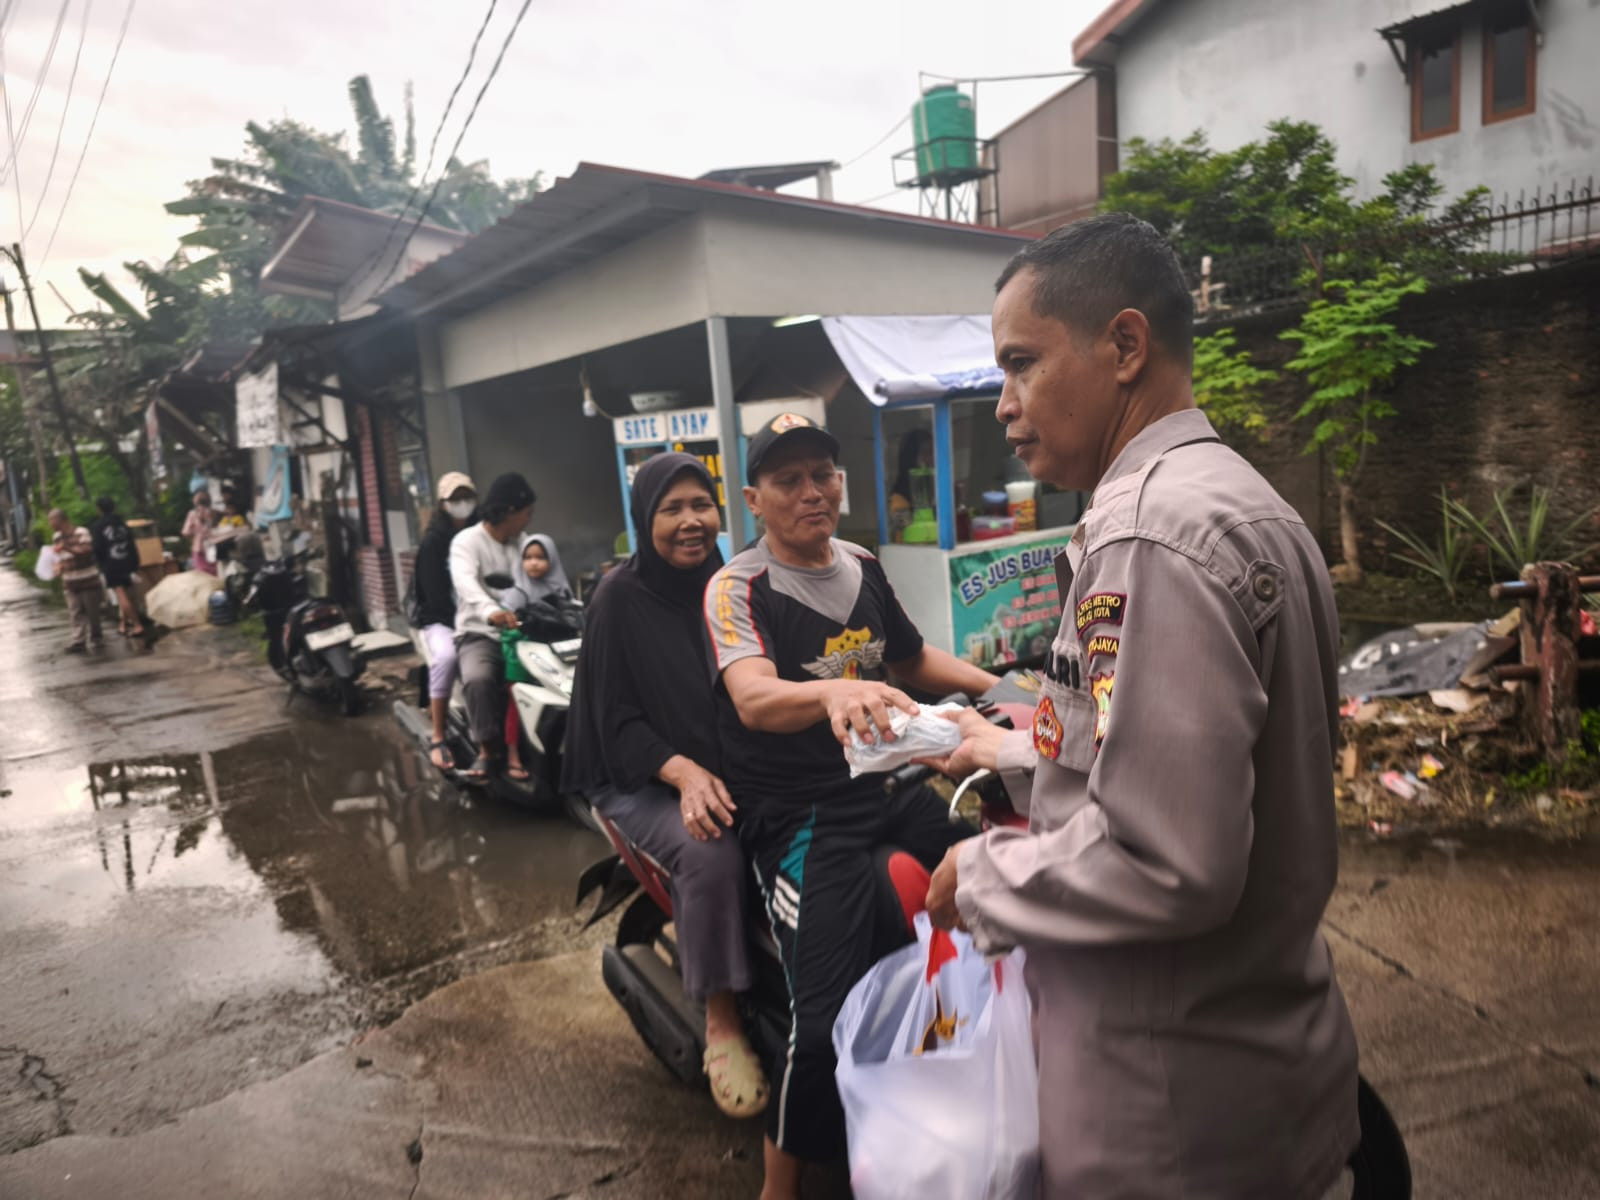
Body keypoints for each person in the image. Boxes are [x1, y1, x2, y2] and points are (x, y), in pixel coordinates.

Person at [921, 213, 1360, 1198]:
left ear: (1124, 346)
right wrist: (1007, 752)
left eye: (1021, 363)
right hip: (1266, 1068)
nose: (1003, 403)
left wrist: (979, 875)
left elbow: (1166, 857)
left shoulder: (1147, 537)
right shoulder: (1243, 501)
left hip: (1166, 1116)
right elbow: (1169, 753)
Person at [704, 413, 998, 1199]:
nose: (812, 492)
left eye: (823, 475)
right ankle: (780, 1187)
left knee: (1001, 879)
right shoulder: (738, 587)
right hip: (801, 816)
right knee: (823, 1019)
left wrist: (1003, 688)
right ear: (754, 500)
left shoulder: (862, 564)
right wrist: (833, 691)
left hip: (887, 786)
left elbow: (910, 658)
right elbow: (753, 697)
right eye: (788, 480)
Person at [564, 452, 770, 1119]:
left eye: (701, 505)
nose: (691, 521)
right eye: (671, 509)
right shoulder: (616, 599)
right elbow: (614, 720)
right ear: (643, 519)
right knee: (710, 850)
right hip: (637, 774)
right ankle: (721, 1020)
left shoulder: (728, 584)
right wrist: (681, 771)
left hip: (722, 759)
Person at [448, 471, 537, 781]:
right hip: (479, 633)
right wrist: (490, 611)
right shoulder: (467, 542)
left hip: (522, 631)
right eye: (526, 513)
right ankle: (487, 749)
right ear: (510, 512)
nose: (528, 520)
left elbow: (540, 577)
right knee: (478, 678)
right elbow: (465, 583)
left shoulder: (522, 542)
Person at [413, 472, 477, 770]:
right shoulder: (434, 543)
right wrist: (462, 623)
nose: (462, 504)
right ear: (443, 503)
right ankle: (438, 735)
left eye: (466, 497)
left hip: (480, 616)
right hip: (442, 619)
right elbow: (435, 595)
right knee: (448, 657)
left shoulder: (482, 533)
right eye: (455, 498)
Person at [497, 533, 573, 783]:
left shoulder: (561, 589)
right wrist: (518, 633)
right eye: (528, 557)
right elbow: (506, 629)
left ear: (552, 559)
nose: (534, 563)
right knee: (516, 705)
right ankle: (513, 754)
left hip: (555, 659)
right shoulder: (516, 592)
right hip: (522, 659)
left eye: (540, 557)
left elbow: (573, 618)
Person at [49, 508, 105, 651]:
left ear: (61, 520)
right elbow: (59, 557)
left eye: (52, 520)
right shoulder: (56, 536)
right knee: (75, 611)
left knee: (92, 612)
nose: (50, 523)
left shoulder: (82, 532)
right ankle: (79, 640)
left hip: (88, 579)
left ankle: (97, 638)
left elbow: (86, 551)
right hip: (69, 580)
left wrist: (66, 547)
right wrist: (57, 567)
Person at [89, 496, 144, 638]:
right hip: (128, 562)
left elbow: (97, 548)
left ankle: (137, 625)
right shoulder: (122, 524)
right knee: (128, 596)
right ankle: (123, 624)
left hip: (111, 564)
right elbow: (132, 544)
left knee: (121, 596)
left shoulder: (99, 526)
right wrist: (136, 563)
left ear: (99, 509)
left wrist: (99, 564)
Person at [886, 428, 933, 542]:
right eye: (926, 452)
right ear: (911, 457)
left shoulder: (932, 492)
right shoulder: (898, 501)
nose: (932, 458)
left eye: (934, 452)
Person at [182, 490, 216, 575]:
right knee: (214, 572)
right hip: (211, 546)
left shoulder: (192, 514)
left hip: (199, 548)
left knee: (202, 574)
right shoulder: (212, 512)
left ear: (195, 502)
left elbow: (186, 532)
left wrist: (195, 531)